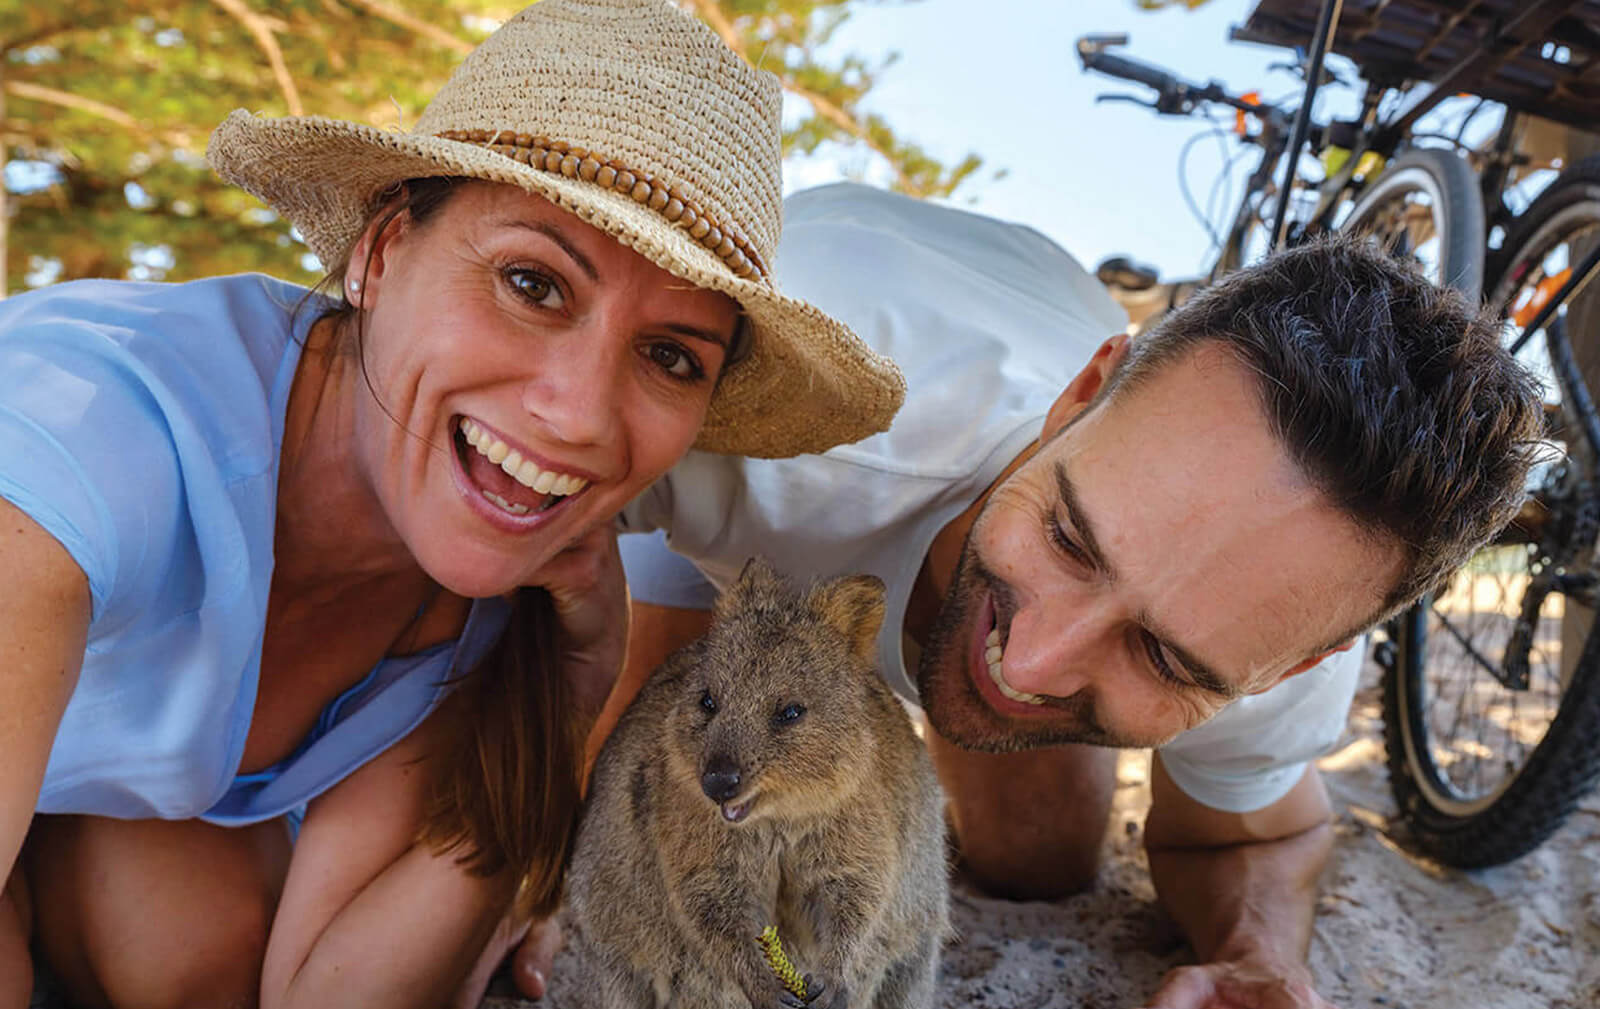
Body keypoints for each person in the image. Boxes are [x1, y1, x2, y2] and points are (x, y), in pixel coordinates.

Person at [0, 3, 906, 1007]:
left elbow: (334, 992)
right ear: (381, 253)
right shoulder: (86, 436)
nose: (576, 417)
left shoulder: (474, 574)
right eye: (533, 282)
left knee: (196, 967)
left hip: (88, 811)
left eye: (668, 356)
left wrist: (570, 691)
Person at [591, 182, 1543, 1009]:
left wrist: (1258, 956)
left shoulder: (1283, 623)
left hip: (1023, 318)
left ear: (1294, 665)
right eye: (1070, 537)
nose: (1034, 665)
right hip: (814, 366)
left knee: (1039, 859)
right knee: (619, 770)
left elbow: (1257, 839)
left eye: (1165, 655)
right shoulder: (768, 414)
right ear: (1082, 395)